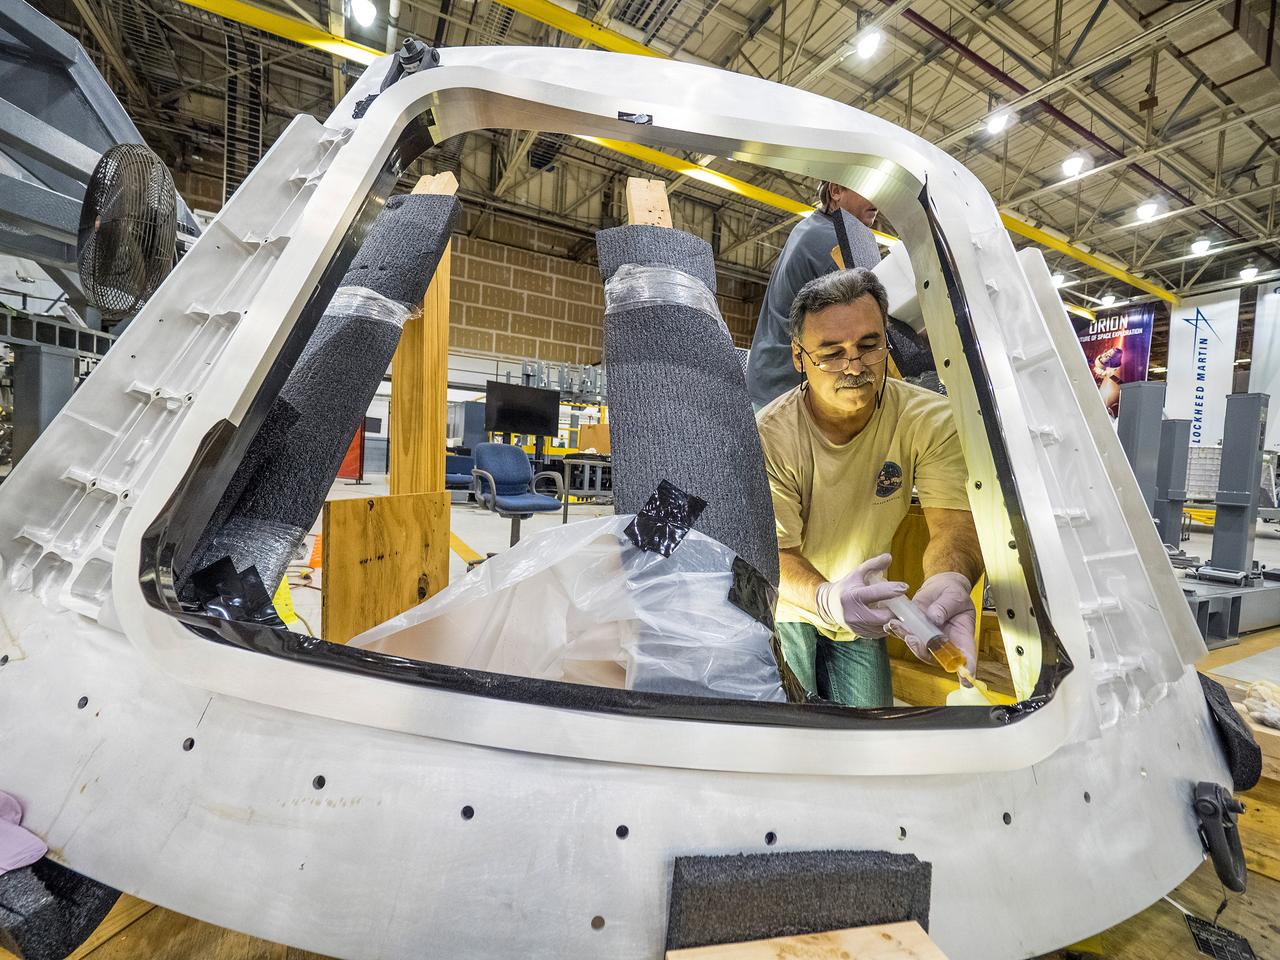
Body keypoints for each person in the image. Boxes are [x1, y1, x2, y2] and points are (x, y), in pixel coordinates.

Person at [756, 268, 984, 707]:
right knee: (793, 726)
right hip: (789, 605)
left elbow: (952, 524)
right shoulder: (770, 436)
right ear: (799, 357)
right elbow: (775, 554)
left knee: (871, 731)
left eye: (868, 346)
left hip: (866, 604)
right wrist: (826, 599)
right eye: (831, 353)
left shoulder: (930, 421)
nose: (854, 367)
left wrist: (950, 579)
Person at [746, 183, 882, 410]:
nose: (878, 199)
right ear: (836, 190)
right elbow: (873, 323)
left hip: (765, 383)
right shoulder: (836, 245)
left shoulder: (809, 227)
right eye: (867, 186)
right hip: (789, 394)